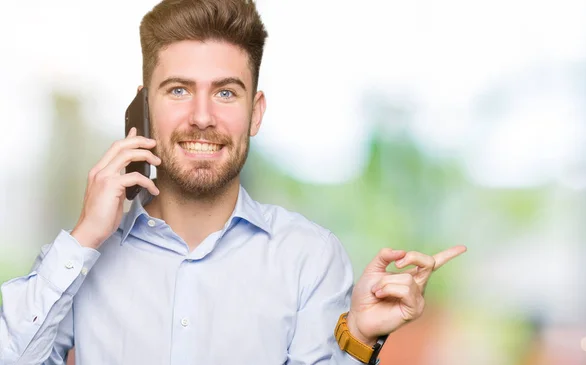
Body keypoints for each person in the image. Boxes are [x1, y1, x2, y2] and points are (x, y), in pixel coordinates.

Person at [0, 0, 466, 364]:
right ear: (144, 108)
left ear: (255, 112)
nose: (202, 118)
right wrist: (85, 237)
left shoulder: (309, 258)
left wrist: (359, 338)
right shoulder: (80, 258)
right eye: (178, 90)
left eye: (225, 92)